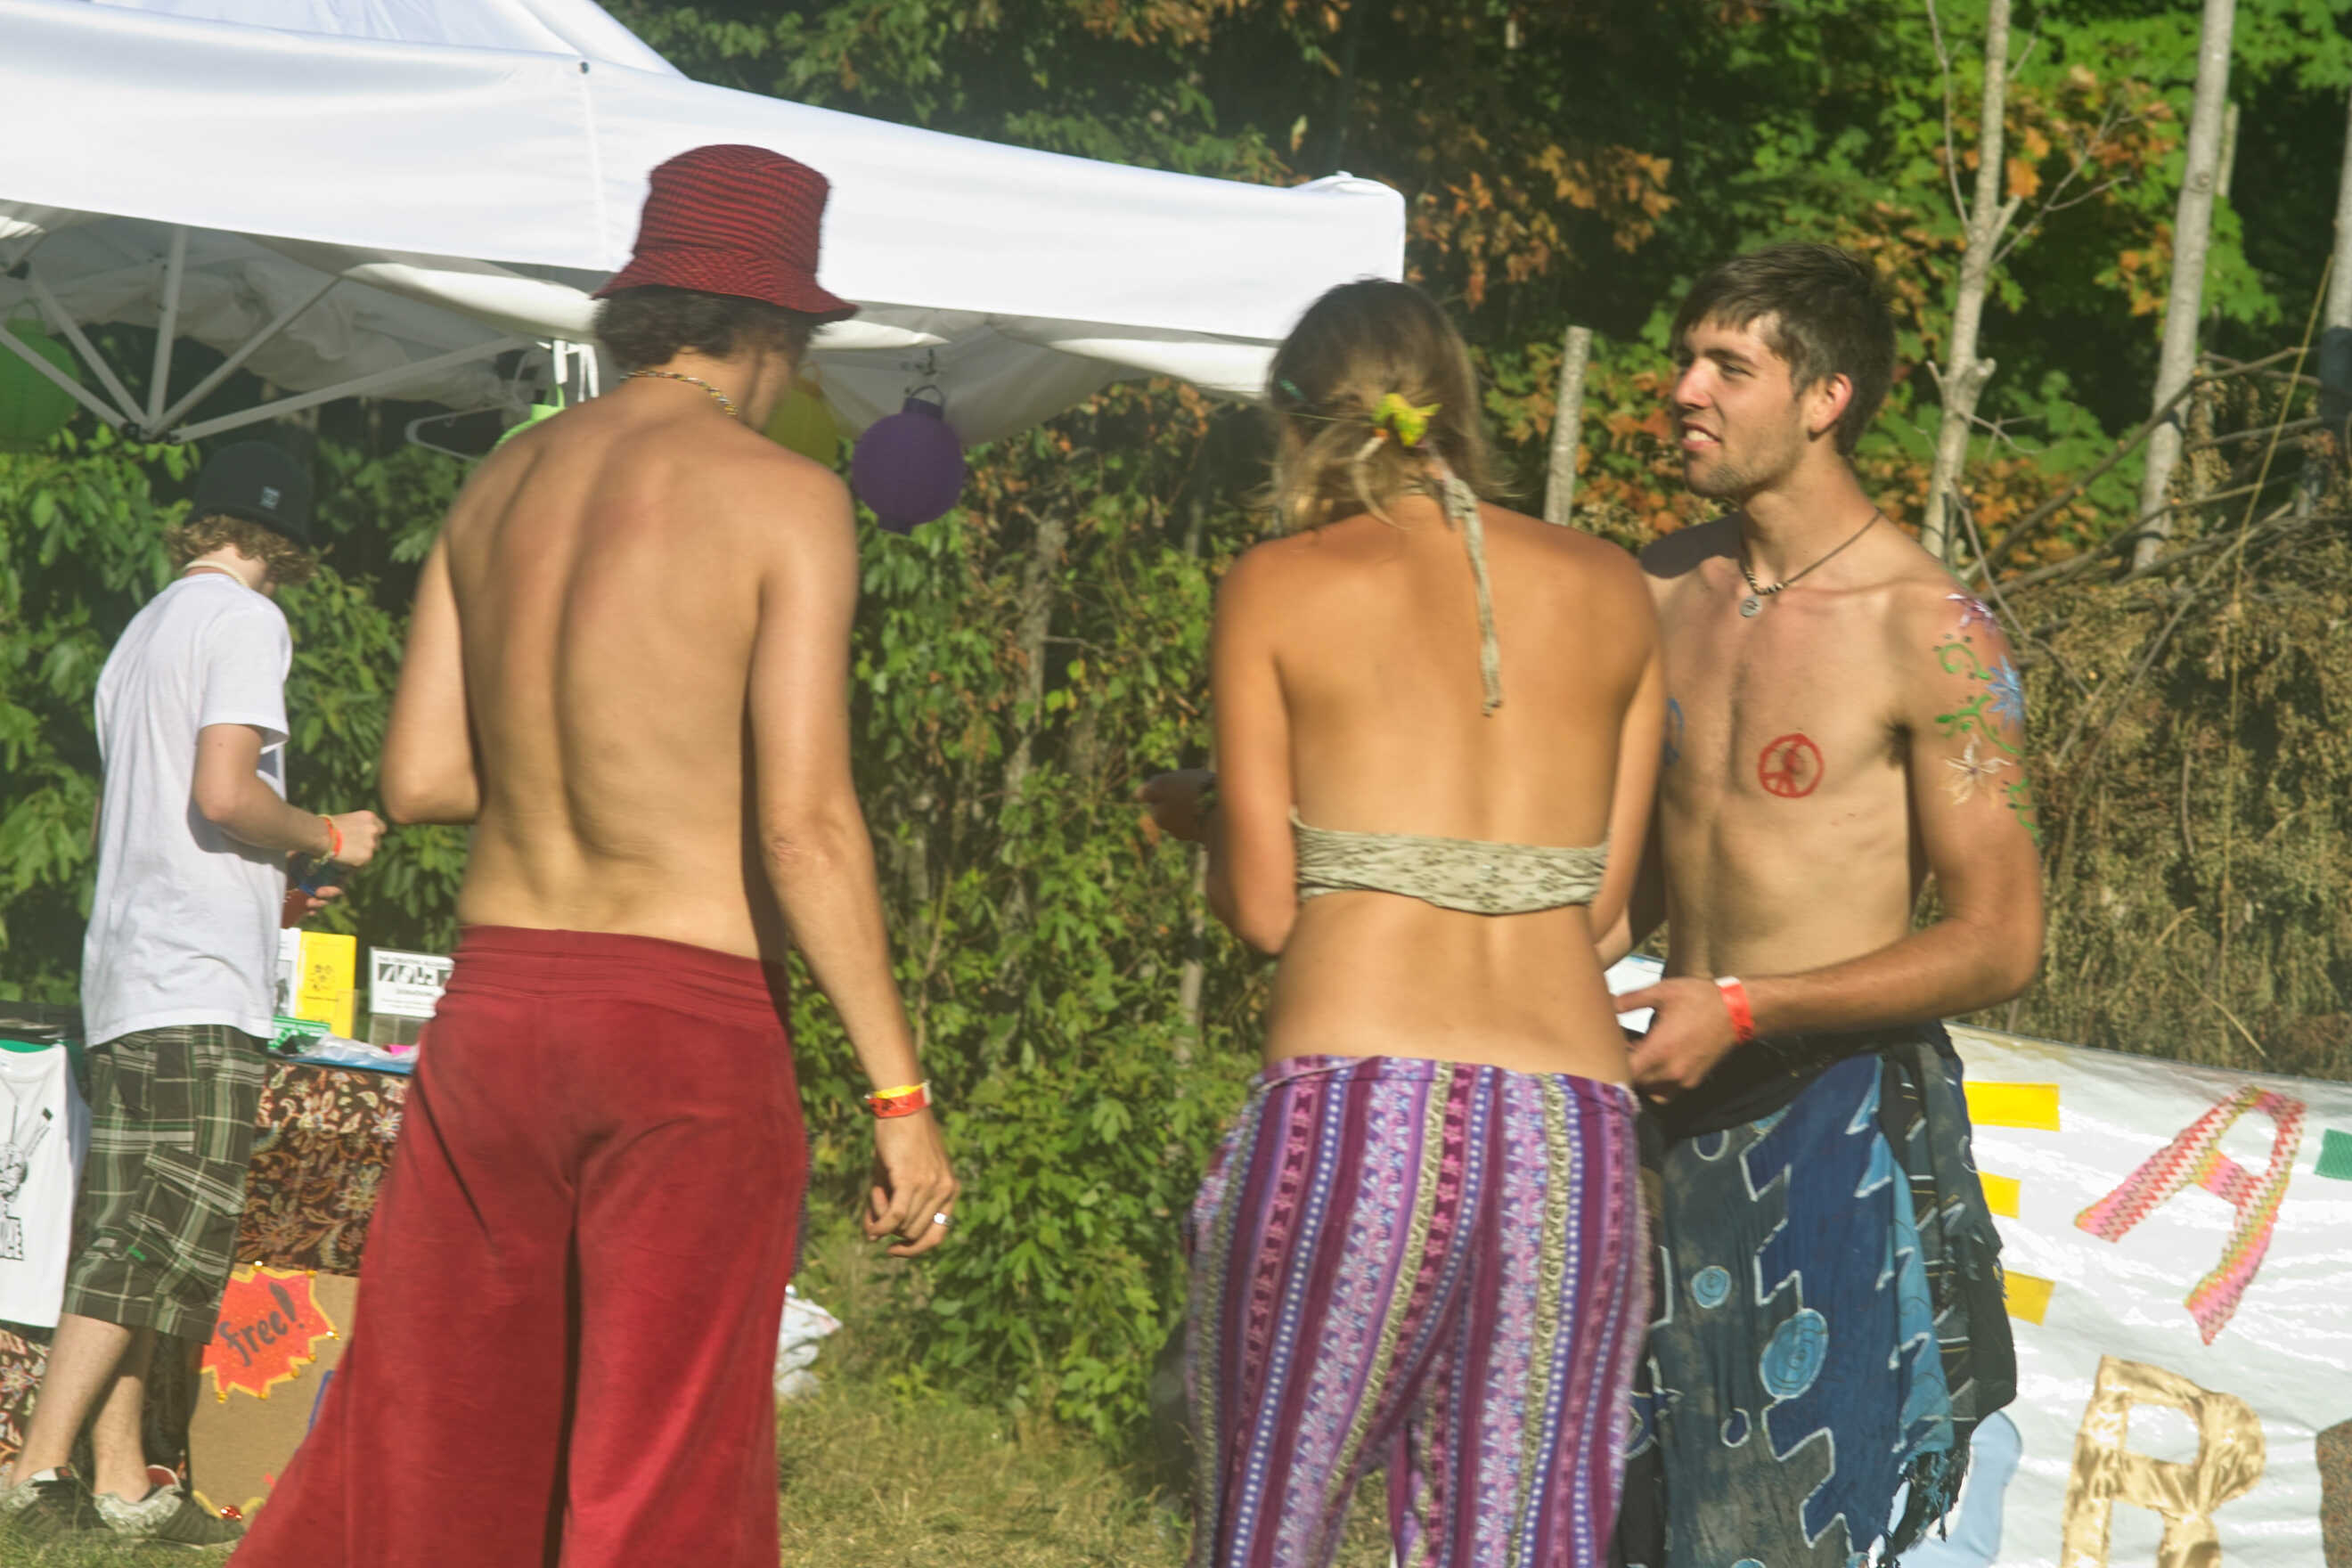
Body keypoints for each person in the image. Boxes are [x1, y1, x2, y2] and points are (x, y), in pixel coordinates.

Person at [231, 145, 957, 1568]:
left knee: (446, 1444)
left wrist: (583, 743)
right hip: (681, 1030)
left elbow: (420, 779)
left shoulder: (501, 486)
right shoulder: (785, 499)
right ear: (775, 330)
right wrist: (899, 1094)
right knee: (660, 1475)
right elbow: (804, 823)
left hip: (496, 1019)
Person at [1146, 279, 1664, 1568]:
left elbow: (1267, 909)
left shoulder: (1275, 585)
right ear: (1458, 406)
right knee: (1523, 1542)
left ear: (1297, 425)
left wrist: (1216, 821)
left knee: (1273, 1525)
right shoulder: (1614, 586)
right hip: (1567, 1134)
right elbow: (1603, 912)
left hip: (1357, 1117)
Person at [1600, 243, 2038, 1568]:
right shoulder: (1658, 586)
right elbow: (1614, 889)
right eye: (1685, 359)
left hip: (1833, 1121)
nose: (1684, 389)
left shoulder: (1932, 629)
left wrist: (1748, 1005)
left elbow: (2000, 938)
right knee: (1618, 1522)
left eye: (1728, 366)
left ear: (1825, 397)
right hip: (1653, 1106)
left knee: (1801, 1537)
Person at [0, 441, 384, 1547]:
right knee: (155, 1234)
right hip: (194, 980)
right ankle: (36, 1467)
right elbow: (224, 791)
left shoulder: (144, 631)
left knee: (146, 1227)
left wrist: (271, 879)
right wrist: (326, 831)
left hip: (132, 966)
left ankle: (123, 1479)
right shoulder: (247, 620)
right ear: (293, 541)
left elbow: (151, 812)